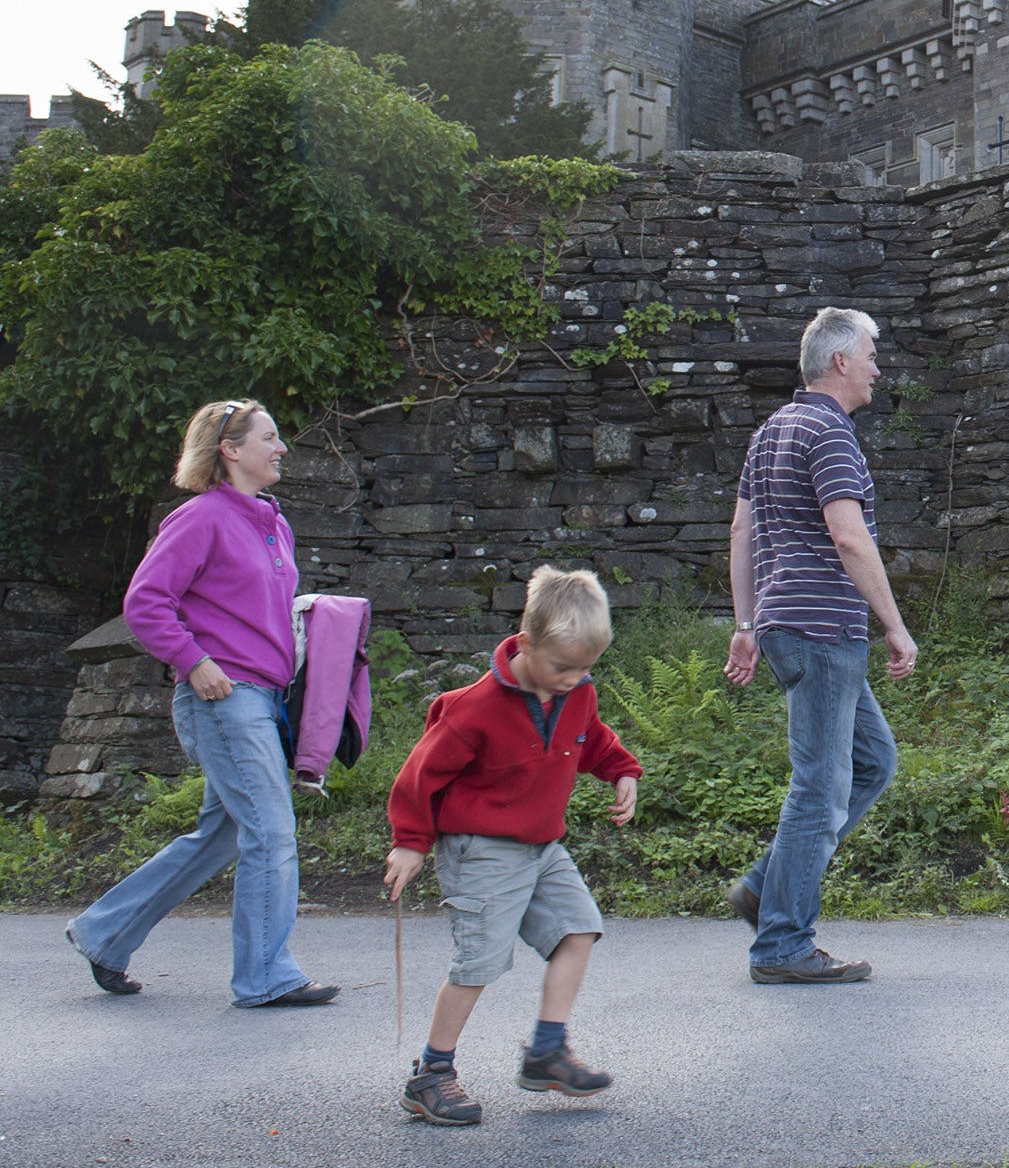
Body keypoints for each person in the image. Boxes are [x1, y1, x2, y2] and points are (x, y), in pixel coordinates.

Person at [65, 400, 337, 1008]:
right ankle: (265, 975)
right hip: (224, 699)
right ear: (230, 450)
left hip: (264, 700)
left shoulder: (273, 520)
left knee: (219, 837)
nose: (282, 448)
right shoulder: (199, 518)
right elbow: (146, 602)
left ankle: (104, 934)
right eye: (270, 438)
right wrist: (195, 662)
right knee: (270, 830)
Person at [384, 566, 643, 1127]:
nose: (574, 679)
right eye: (562, 667)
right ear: (526, 644)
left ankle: (547, 1051)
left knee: (579, 929)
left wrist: (622, 770)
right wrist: (410, 843)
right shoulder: (472, 709)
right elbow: (419, 776)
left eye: (585, 668)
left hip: (543, 846)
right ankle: (431, 1072)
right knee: (478, 963)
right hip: (481, 850)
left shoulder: (576, 691)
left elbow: (592, 738)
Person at [721, 308, 918, 984]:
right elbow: (849, 538)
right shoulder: (831, 433)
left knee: (872, 762)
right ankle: (781, 944)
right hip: (823, 629)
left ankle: (764, 887)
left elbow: (742, 535)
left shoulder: (773, 430)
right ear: (839, 361)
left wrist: (747, 626)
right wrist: (893, 624)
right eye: (870, 354)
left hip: (782, 625)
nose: (876, 368)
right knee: (820, 790)